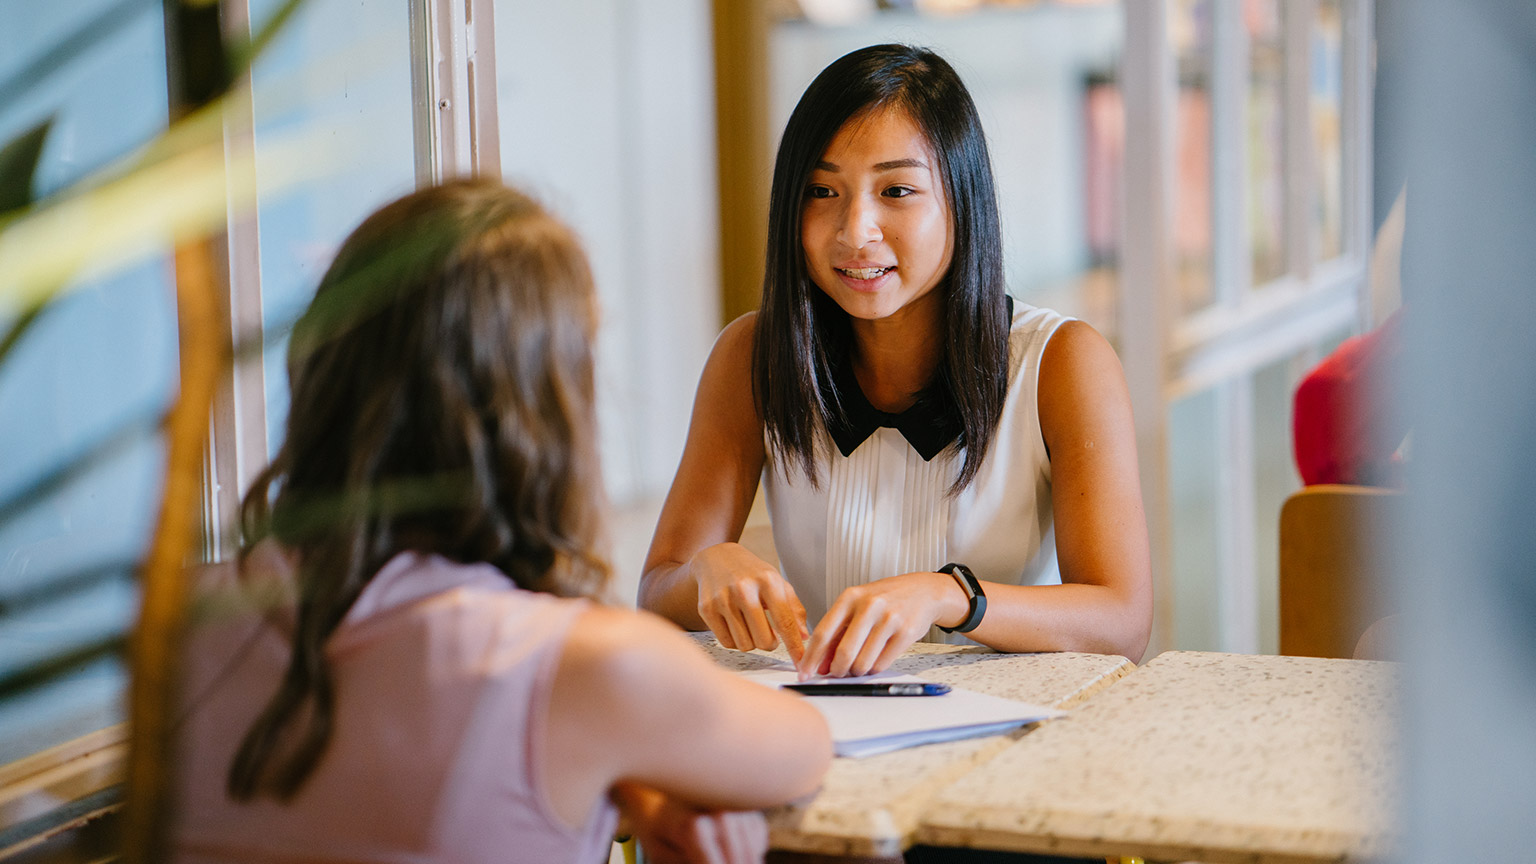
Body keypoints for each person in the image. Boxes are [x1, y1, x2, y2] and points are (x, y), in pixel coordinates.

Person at [170, 180, 832, 864]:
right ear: (540, 412)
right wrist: (633, 769)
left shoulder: (178, 622)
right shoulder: (590, 664)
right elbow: (803, 747)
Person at [639, 44, 1152, 681]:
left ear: (961, 200)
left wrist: (950, 595)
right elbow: (659, 589)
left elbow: (1122, 620)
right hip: (831, 729)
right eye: (822, 191)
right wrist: (709, 568)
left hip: (1019, 729)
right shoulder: (753, 357)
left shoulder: (1062, 361)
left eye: (898, 190)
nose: (856, 231)